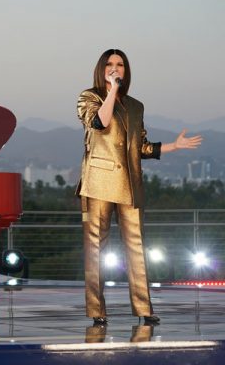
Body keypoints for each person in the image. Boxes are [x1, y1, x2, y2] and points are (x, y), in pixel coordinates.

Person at [76, 49, 202, 325]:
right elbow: (100, 122)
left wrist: (173, 146)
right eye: (109, 64)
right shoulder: (89, 97)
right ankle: (97, 311)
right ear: (101, 68)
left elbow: (141, 148)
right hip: (98, 184)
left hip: (131, 185)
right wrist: (111, 91)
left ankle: (144, 308)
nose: (115, 69)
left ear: (126, 70)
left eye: (120, 65)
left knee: (137, 247)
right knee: (95, 249)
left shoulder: (136, 106)